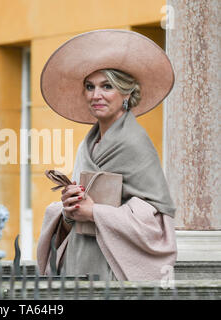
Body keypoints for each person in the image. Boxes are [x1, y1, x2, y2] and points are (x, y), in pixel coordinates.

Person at [37, 30, 178, 281]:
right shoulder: (88, 143)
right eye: (90, 87)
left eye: (107, 86)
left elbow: (157, 222)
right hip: (78, 261)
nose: (95, 95)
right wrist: (68, 211)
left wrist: (95, 213)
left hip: (113, 268)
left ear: (126, 93)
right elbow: (74, 220)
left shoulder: (135, 143)